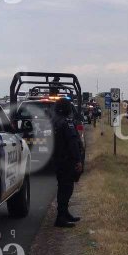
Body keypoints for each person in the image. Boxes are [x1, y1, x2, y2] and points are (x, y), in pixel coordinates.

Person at [52, 98, 83, 228]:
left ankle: (64, 213)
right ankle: (61, 217)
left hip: (59, 160)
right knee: (66, 189)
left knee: (63, 188)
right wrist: (78, 160)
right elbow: (73, 143)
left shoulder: (55, 122)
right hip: (67, 161)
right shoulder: (67, 123)